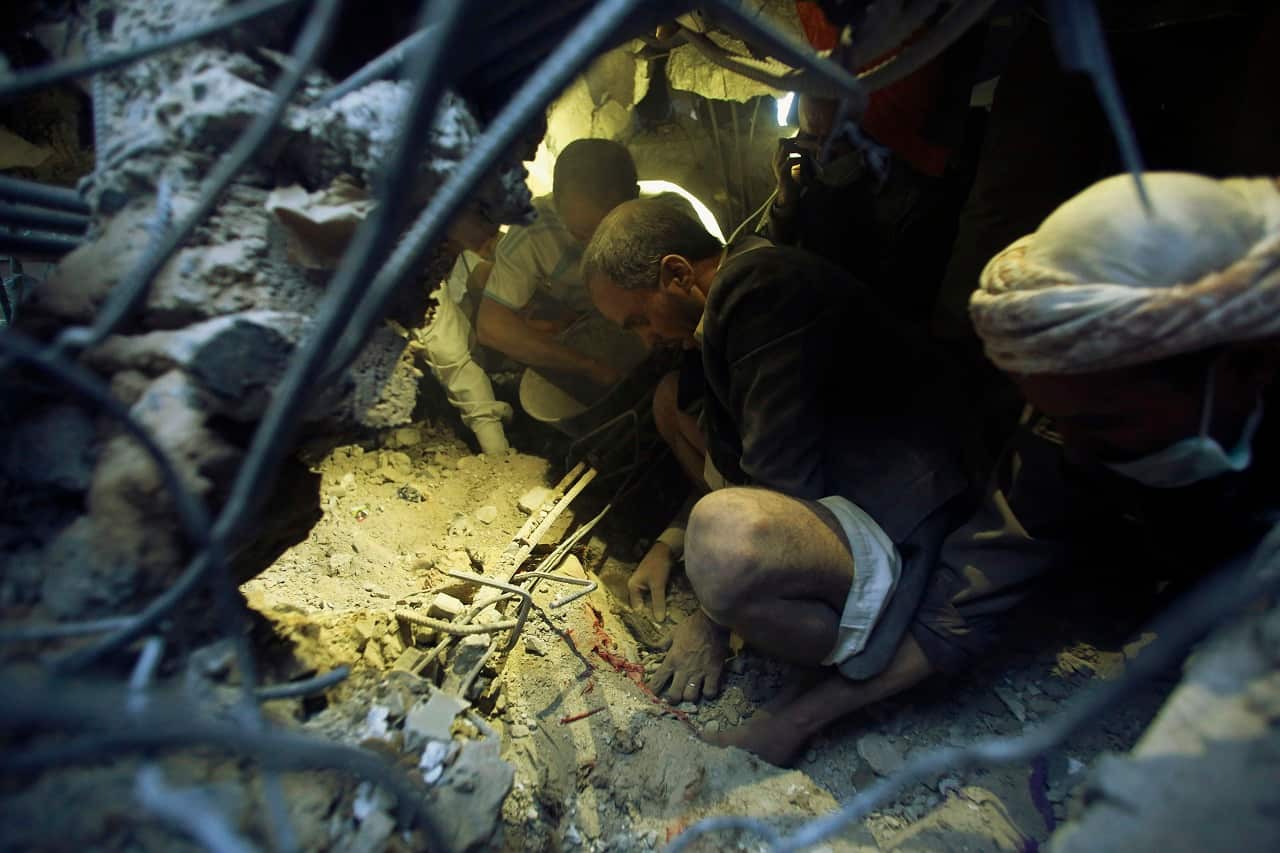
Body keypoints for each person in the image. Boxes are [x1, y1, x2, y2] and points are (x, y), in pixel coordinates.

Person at [709, 171, 1280, 765]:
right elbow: (965, 599)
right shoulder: (1062, 441)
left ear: (1246, 367)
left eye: (1104, 424)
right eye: (1058, 424)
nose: (1076, 452)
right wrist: (794, 720)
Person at [582, 197, 972, 721]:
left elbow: (775, 477)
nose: (644, 339)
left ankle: (871, 647)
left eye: (636, 320)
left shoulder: (758, 289)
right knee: (669, 401)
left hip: (898, 516)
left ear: (676, 273)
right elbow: (728, 460)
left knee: (723, 538)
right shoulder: (719, 320)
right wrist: (668, 544)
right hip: (848, 498)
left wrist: (709, 618)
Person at [475, 138, 644, 390]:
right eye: (584, 234)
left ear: (634, 197)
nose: (598, 249)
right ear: (557, 205)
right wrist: (587, 365)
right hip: (592, 337)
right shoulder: (533, 231)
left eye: (610, 232)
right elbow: (491, 326)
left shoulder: (666, 214)